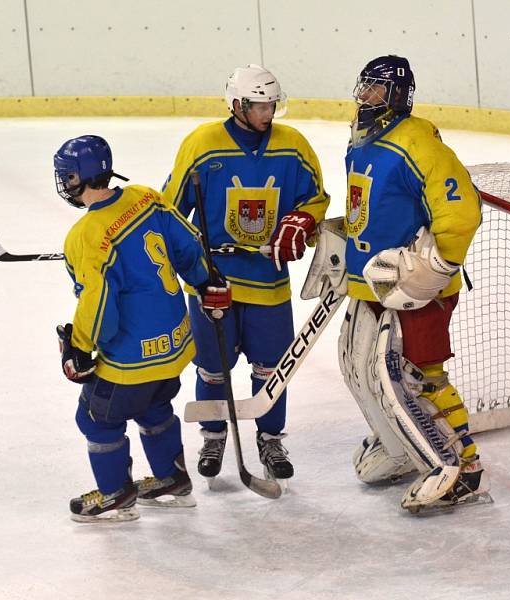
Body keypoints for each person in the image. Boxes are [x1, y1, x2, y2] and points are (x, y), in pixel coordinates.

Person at [162, 64, 330, 485]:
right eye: (260, 105)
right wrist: (182, 259)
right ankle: (214, 435)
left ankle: (270, 439)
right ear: (238, 105)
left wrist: (300, 222)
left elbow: (315, 200)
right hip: (213, 280)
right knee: (212, 368)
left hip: (268, 280)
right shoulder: (202, 145)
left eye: (272, 103)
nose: (269, 112)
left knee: (271, 369)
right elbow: (171, 211)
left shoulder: (293, 146)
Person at [338, 55, 490, 512]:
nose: (366, 97)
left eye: (377, 90)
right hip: (374, 288)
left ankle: (463, 466)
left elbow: (462, 210)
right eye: (364, 87)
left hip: (416, 291)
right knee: (357, 367)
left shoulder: (418, 142)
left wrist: (437, 267)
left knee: (419, 377)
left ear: (398, 96)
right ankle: (400, 447)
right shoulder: (361, 140)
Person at [54, 135, 231, 522]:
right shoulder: (145, 197)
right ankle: (172, 480)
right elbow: (187, 244)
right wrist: (204, 281)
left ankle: (116, 494)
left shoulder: (86, 236)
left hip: (131, 359)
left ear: (77, 178)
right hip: (173, 347)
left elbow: (99, 306)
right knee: (155, 409)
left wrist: (80, 348)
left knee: (97, 420)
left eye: (66, 176)